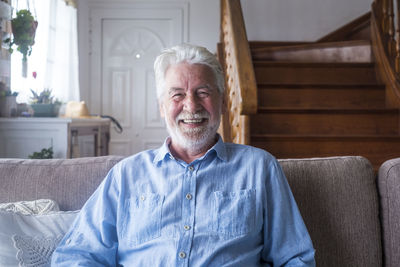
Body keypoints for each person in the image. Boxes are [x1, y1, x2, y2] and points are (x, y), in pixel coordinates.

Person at [51, 43, 315, 266]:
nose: (191, 105)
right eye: (177, 94)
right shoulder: (127, 175)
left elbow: (295, 257)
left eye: (203, 92)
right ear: (162, 107)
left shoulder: (259, 168)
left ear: (222, 102)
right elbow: (75, 255)